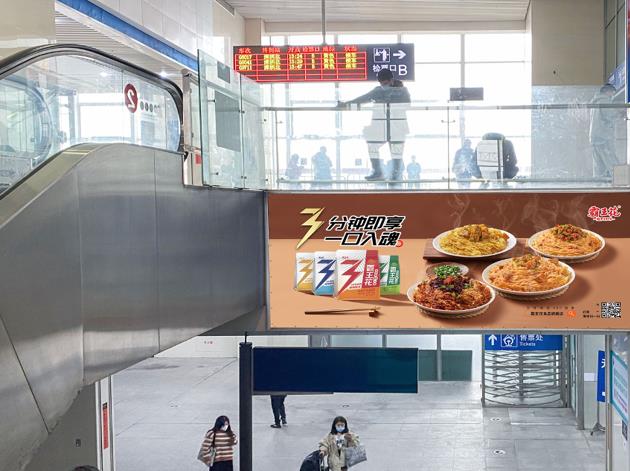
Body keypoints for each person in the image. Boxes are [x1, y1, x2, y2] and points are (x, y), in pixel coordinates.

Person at [339, 68, 411, 182]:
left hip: (395, 127)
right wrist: (346, 104)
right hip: (384, 127)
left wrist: (389, 96)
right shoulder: (379, 91)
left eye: (386, 83)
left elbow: (407, 104)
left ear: (391, 80)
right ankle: (380, 173)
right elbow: (362, 99)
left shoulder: (401, 90)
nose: (384, 86)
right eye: (382, 84)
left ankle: (393, 177)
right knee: (374, 146)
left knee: (396, 154)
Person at [590, 84, 622, 178]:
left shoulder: (594, 102)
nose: (612, 95)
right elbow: (610, 115)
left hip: (594, 138)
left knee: (599, 167)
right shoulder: (604, 101)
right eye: (612, 92)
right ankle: (621, 183)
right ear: (607, 91)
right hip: (603, 138)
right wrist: (620, 113)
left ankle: (598, 185)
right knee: (612, 162)